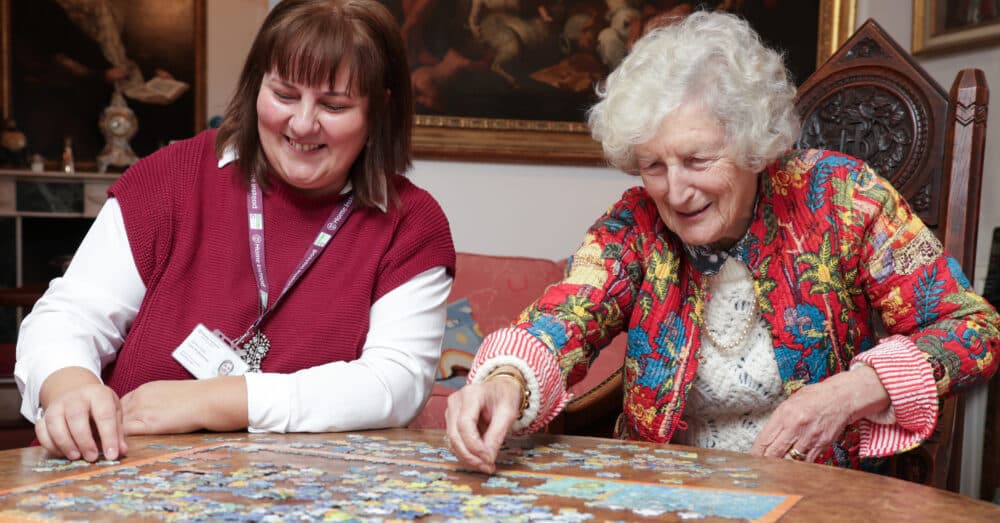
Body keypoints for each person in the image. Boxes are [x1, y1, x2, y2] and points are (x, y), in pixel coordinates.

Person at [445, 11, 1000, 474]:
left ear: (753, 142)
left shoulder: (841, 197)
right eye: (653, 166)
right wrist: (504, 380)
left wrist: (854, 390)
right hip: (663, 495)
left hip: (818, 494)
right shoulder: (636, 224)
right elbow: (566, 315)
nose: (677, 192)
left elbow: (972, 329)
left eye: (697, 160)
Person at [14, 0, 455, 463]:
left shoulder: (412, 224)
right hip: (115, 476)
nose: (303, 124)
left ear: (379, 109)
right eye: (284, 95)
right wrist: (68, 383)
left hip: (300, 498)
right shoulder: (171, 176)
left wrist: (213, 401)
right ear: (256, 83)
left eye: (334, 104)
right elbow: (71, 315)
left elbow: (396, 383)